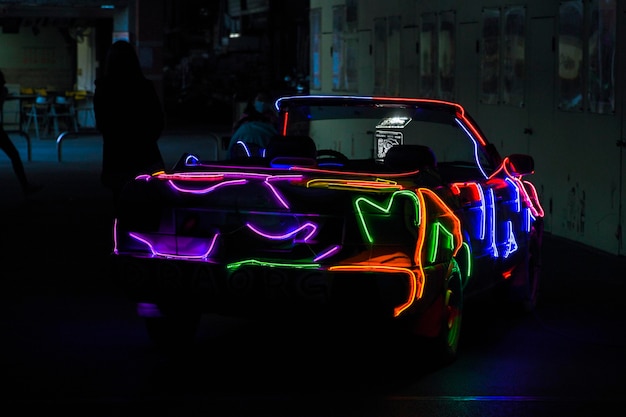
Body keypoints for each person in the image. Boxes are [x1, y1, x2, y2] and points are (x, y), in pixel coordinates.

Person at [93, 40, 165, 204]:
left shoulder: (104, 89)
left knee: (121, 202)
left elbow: (102, 123)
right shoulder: (144, 87)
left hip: (116, 155)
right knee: (148, 203)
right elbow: (158, 120)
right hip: (145, 154)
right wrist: (146, 138)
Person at [0, 69, 41, 195]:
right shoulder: (2, 91)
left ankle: (26, 186)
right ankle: (25, 186)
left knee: (14, 155)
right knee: (14, 155)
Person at [228, 90, 279, 158]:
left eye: (265, 100)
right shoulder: (244, 120)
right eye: (260, 99)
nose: (263, 103)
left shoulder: (273, 119)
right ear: (253, 102)